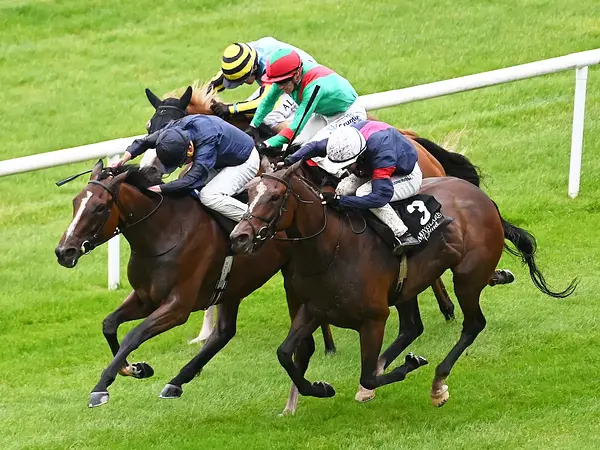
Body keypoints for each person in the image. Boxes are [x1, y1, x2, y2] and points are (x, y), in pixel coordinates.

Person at [284, 120, 422, 253]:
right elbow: (314, 147)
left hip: (405, 174)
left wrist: (341, 201)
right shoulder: (344, 140)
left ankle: (403, 234)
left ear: (358, 156)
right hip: (373, 166)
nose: (346, 168)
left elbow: (380, 197)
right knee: (342, 189)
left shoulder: (382, 155)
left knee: (363, 192)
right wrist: (288, 161)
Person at [110, 114, 259, 222]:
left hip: (244, 161)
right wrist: (123, 160)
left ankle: (255, 220)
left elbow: (192, 179)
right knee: (182, 179)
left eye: (182, 161)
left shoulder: (207, 142)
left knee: (209, 196)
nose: (182, 164)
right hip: (222, 158)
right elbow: (143, 142)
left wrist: (161, 188)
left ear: (189, 149)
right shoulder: (170, 133)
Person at [246, 48, 367, 155]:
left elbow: (296, 127)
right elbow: (268, 101)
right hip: (325, 115)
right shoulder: (285, 76)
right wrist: (253, 126)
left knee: (314, 147)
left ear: (297, 75)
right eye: (276, 83)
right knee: (296, 145)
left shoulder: (314, 86)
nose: (280, 87)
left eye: (283, 83)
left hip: (349, 113)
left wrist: (267, 143)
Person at [208, 37, 316, 133]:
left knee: (270, 117)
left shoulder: (269, 65)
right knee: (244, 112)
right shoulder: (244, 54)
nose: (242, 84)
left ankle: (301, 142)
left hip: (304, 84)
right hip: (284, 82)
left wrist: (230, 108)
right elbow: (222, 78)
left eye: (243, 81)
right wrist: (207, 92)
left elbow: (265, 102)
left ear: (254, 69)